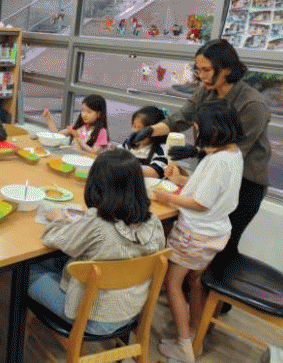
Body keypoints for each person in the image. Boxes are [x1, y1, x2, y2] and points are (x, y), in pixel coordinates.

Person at [127, 39, 270, 272]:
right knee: (196, 249)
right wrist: (149, 131)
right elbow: (179, 119)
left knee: (220, 250)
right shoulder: (207, 89)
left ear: (227, 69)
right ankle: (192, 286)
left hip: (245, 183)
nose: (202, 76)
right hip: (214, 171)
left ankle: (209, 294)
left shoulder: (252, 104)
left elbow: (232, 148)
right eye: (198, 70)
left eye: (207, 70)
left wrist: (194, 151)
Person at [28, 148, 165, 335]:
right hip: (131, 311)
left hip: (91, 317)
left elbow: (50, 238)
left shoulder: (98, 223)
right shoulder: (154, 223)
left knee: (27, 271)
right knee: (64, 262)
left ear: (97, 185)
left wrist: (60, 218)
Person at [151, 101, 244, 363]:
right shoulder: (233, 153)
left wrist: (167, 198)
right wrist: (180, 180)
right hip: (214, 233)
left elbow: (201, 203)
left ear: (214, 130)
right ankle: (195, 338)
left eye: (198, 129)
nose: (197, 134)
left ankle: (184, 348)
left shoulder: (218, 162)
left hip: (195, 234)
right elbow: (209, 191)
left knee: (172, 284)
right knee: (195, 282)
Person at [42, 94, 109, 154]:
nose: (84, 114)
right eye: (83, 110)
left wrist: (78, 138)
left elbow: (94, 152)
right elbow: (56, 135)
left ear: (99, 114)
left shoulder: (102, 132)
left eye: (89, 112)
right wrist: (49, 119)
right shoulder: (79, 126)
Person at [121, 106, 167, 178]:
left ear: (155, 131)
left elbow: (155, 172)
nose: (135, 132)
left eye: (140, 129)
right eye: (134, 126)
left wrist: (125, 168)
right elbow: (118, 155)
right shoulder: (129, 143)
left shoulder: (161, 149)